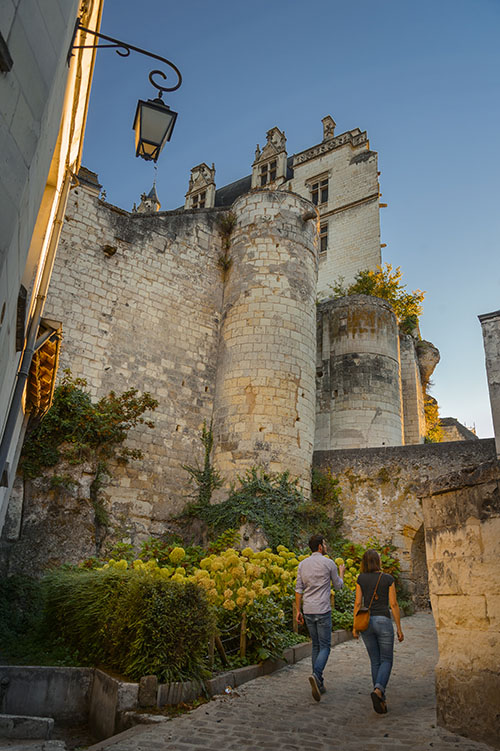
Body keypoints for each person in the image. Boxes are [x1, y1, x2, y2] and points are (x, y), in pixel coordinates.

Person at [353, 549, 404, 714]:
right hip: (383, 620)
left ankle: (380, 696)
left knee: (375, 661)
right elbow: (394, 604)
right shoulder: (388, 579)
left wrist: (354, 626)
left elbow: (357, 603)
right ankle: (379, 690)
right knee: (387, 660)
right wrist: (399, 628)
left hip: (366, 623)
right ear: (378, 561)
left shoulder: (361, 578)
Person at [295, 534, 345, 701]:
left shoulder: (302, 564)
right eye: (324, 543)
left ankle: (319, 683)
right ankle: (316, 675)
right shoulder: (328, 563)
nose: (325, 546)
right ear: (320, 547)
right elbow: (338, 586)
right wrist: (342, 573)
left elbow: (298, 589)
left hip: (308, 609)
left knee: (316, 645)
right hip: (323, 609)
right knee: (325, 646)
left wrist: (297, 610)